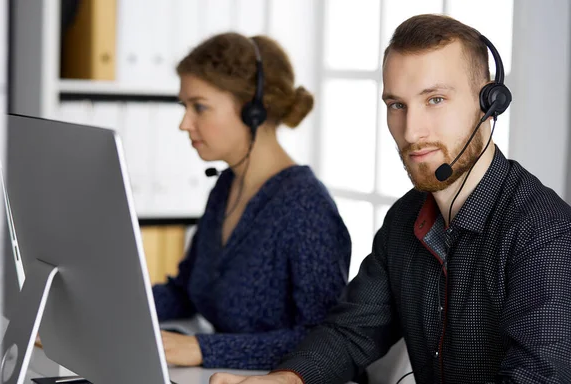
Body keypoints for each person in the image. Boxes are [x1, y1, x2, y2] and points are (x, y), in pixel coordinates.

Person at [209, 14, 571, 384]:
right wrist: (286, 380)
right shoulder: (406, 217)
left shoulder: (545, 235)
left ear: (489, 103)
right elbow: (351, 333)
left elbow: (540, 378)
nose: (411, 131)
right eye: (397, 105)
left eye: (435, 99)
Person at [151, 32, 352, 370]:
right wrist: (108, 306)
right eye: (184, 107)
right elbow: (186, 291)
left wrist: (203, 349)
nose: (185, 123)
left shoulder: (306, 207)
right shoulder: (227, 185)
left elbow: (324, 342)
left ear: (253, 111)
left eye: (199, 107)